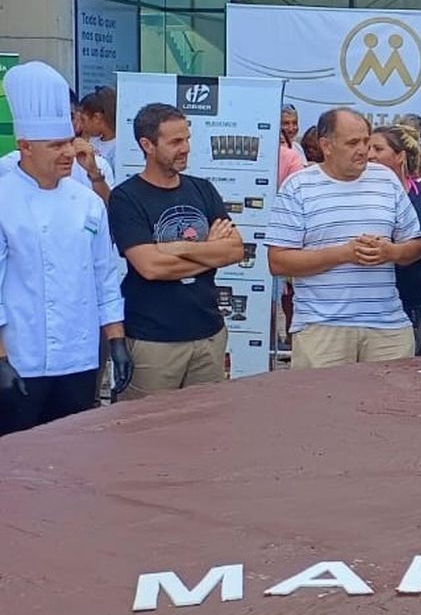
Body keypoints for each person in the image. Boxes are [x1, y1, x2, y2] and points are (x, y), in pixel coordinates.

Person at [0, 61, 129, 434]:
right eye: (54, 145)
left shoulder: (86, 199)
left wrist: (116, 340)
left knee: (74, 457)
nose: (67, 153)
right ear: (24, 147)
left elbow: (104, 275)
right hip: (21, 359)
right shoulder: (4, 198)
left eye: (69, 143)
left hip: (79, 355)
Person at [267, 108, 421, 369]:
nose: (364, 150)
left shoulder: (386, 179)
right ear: (326, 145)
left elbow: (415, 245)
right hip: (322, 329)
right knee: (325, 410)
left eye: (367, 141)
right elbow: (278, 262)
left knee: (394, 410)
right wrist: (345, 254)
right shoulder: (298, 187)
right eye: (353, 143)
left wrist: (391, 253)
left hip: (389, 328)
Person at [108, 103, 243, 398]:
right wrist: (209, 252)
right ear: (147, 145)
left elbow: (234, 250)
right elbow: (151, 267)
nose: (186, 148)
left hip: (209, 334)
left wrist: (179, 248)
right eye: (175, 141)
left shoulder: (203, 189)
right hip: (153, 341)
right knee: (146, 433)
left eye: (187, 139)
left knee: (205, 429)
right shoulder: (126, 198)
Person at [370, 124, 421, 355]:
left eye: (378, 149)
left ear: (400, 156)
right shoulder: (363, 197)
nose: (370, 155)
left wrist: (399, 249)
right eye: (368, 148)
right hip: (376, 308)